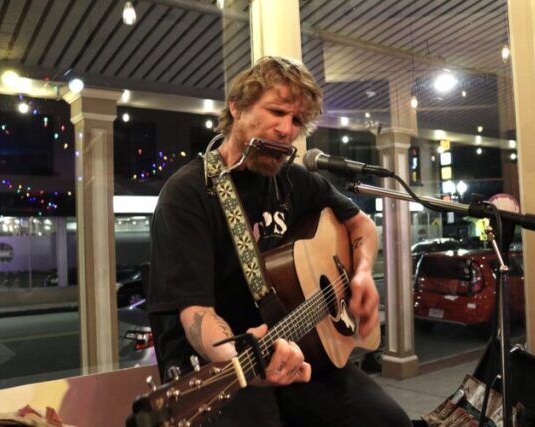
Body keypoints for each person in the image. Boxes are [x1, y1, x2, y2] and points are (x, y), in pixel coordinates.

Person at [147, 56, 412, 426]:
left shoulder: (293, 181)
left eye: (297, 121)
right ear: (236, 107)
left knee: (390, 421)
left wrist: (362, 274)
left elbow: (361, 224)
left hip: (303, 348)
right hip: (222, 371)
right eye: (276, 112)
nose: (287, 129)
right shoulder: (189, 194)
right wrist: (244, 359)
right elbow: (196, 314)